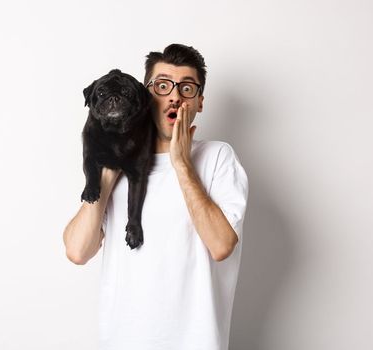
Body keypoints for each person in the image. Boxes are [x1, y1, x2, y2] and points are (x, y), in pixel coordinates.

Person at [62, 44, 249, 350]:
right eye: (163, 86)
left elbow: (221, 245)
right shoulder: (117, 166)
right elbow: (77, 251)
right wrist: (109, 171)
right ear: (146, 97)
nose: (174, 96)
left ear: (199, 102)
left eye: (187, 88)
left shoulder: (218, 157)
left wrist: (181, 164)